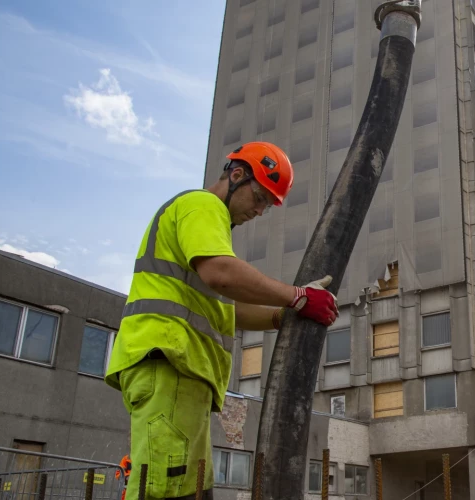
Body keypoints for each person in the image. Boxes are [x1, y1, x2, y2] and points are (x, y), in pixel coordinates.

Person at [104, 141, 339, 500]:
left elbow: (227, 307)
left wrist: (284, 316)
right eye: (260, 197)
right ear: (237, 175)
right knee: (165, 490)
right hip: (168, 362)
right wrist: (298, 296)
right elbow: (221, 274)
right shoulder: (202, 206)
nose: (260, 211)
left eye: (267, 205)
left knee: (190, 490)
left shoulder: (205, 231)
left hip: (182, 374)